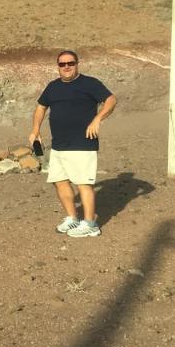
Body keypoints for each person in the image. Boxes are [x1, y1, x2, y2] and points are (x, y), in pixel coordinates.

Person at [28, 50, 116, 238]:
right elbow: (41, 107)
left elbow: (111, 100)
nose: (67, 67)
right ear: (58, 66)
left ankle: (91, 223)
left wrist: (97, 119)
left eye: (70, 63)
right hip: (59, 145)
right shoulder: (52, 87)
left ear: (77, 64)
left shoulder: (89, 83)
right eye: (62, 64)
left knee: (84, 184)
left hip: (83, 143)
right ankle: (72, 218)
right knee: (59, 182)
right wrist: (35, 131)